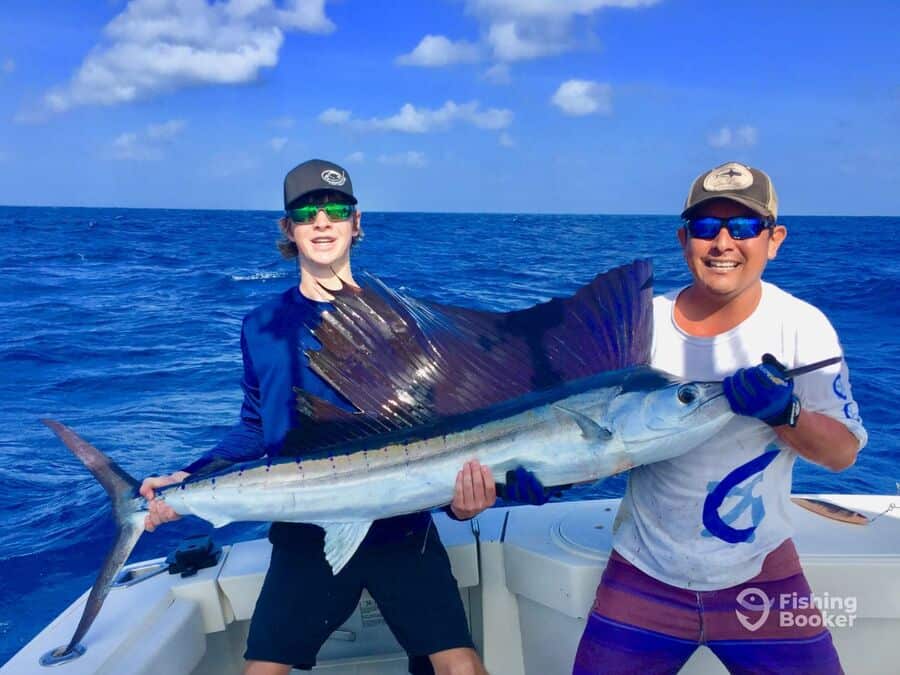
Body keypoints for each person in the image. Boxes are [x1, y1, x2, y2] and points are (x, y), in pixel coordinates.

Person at [140, 159, 496, 675]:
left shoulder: (399, 320)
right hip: (305, 525)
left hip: (400, 524)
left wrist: (462, 505)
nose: (322, 221)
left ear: (357, 222)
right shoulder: (261, 326)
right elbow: (256, 426)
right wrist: (190, 477)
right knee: (262, 669)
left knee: (460, 665)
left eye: (336, 209)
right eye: (307, 212)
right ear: (289, 229)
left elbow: (436, 430)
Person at [573, 162, 867, 674]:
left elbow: (842, 453)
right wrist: (536, 479)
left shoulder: (802, 326)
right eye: (707, 227)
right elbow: (603, 443)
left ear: (773, 239)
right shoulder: (642, 327)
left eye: (745, 227)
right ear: (685, 238)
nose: (724, 243)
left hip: (763, 581)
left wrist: (785, 413)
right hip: (643, 577)